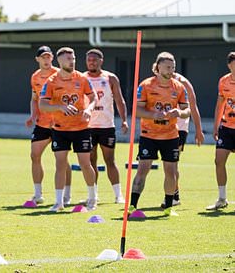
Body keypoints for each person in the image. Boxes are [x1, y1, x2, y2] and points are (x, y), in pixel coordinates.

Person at [129, 52, 190, 216]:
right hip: (149, 135)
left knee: (170, 172)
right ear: (158, 67)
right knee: (142, 170)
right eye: (168, 67)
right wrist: (153, 115)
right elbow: (137, 109)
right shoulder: (146, 85)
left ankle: (168, 207)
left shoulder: (179, 87)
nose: (171, 70)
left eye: (173, 67)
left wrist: (179, 112)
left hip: (170, 135)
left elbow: (187, 110)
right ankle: (132, 206)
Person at [39, 47, 98, 212]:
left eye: (73, 59)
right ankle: (59, 202)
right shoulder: (51, 81)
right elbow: (42, 104)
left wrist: (89, 109)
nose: (72, 62)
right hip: (60, 129)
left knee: (85, 163)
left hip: (81, 127)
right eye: (68, 59)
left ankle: (92, 198)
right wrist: (60, 107)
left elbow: (93, 97)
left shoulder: (82, 78)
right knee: (60, 164)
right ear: (60, 61)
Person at [25, 46, 72, 205]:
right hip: (42, 123)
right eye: (43, 57)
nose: (46, 60)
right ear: (37, 59)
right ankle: (38, 194)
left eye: (48, 57)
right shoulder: (35, 77)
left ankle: (66, 194)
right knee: (34, 155)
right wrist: (33, 115)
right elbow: (34, 98)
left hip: (60, 123)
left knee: (62, 160)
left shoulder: (60, 74)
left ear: (52, 58)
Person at [84, 49, 128, 204]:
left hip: (106, 126)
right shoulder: (82, 78)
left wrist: (124, 120)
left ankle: (118, 195)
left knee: (110, 160)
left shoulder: (110, 78)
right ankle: (93, 194)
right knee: (90, 161)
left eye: (95, 59)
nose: (92, 62)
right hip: (87, 126)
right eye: (89, 60)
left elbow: (119, 100)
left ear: (101, 61)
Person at [160, 72, 203, 208]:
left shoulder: (183, 82)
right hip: (161, 127)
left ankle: (174, 196)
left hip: (179, 127)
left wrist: (198, 129)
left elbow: (193, 107)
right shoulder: (154, 83)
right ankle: (174, 194)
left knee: (173, 164)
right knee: (167, 164)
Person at [206, 52, 235, 211]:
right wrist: (216, 125)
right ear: (230, 65)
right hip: (226, 127)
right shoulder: (223, 81)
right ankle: (222, 198)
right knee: (219, 161)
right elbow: (220, 104)